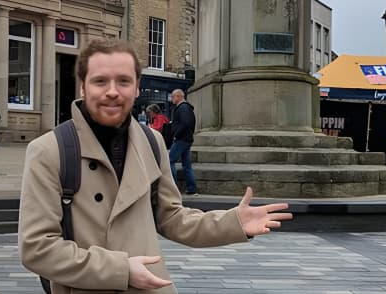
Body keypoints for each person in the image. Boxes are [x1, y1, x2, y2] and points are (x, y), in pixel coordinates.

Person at [19, 38, 292, 294]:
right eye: (100, 81)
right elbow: (37, 248)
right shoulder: (49, 150)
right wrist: (121, 270)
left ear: (137, 88)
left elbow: (172, 217)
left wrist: (233, 223)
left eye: (123, 81)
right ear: (82, 87)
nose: (112, 91)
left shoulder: (152, 141)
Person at [168, 89, 197, 195]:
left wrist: (176, 135)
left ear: (179, 96)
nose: (171, 98)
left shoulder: (183, 108)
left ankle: (173, 188)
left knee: (169, 161)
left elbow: (185, 123)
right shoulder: (185, 108)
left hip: (182, 139)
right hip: (186, 138)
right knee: (186, 165)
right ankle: (191, 188)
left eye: (173, 96)